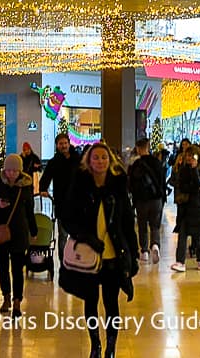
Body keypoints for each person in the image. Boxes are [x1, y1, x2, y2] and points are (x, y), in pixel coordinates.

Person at [58, 142, 139, 358]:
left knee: (111, 304)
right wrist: (86, 237)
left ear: (110, 160)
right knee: (91, 302)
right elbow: (67, 217)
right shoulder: (80, 185)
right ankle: (95, 344)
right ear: (89, 161)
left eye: (104, 157)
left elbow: (127, 222)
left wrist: (134, 254)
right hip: (89, 256)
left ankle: (111, 347)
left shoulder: (119, 185)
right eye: (96, 158)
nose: (100, 161)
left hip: (113, 256)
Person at [0, 153, 37, 318]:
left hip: (19, 232)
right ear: (4, 170)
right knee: (3, 267)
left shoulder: (26, 186)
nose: (11, 174)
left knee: (17, 269)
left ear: (20, 171)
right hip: (0, 231)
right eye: (9, 170)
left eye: (15, 170)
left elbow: (29, 210)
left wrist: (33, 231)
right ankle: (6, 296)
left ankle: (17, 301)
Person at [39, 132, 80, 263]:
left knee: (77, 235)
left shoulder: (78, 159)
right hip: (61, 203)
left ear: (69, 143)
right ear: (57, 145)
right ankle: (63, 262)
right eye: (60, 144)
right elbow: (45, 178)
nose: (63, 146)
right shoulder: (54, 162)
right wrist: (43, 189)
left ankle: (75, 261)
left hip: (78, 203)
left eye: (65, 143)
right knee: (62, 235)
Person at [127, 137, 167, 263]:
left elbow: (130, 184)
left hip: (141, 201)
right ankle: (155, 245)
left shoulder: (135, 164)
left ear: (138, 148)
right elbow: (162, 181)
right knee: (155, 225)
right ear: (148, 146)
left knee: (142, 225)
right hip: (156, 200)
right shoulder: (157, 162)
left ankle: (144, 251)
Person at [170, 147, 200, 272]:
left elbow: (198, 183)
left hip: (199, 206)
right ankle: (180, 261)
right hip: (186, 206)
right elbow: (184, 186)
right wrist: (196, 187)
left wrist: (195, 170)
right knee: (183, 233)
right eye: (188, 156)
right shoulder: (183, 170)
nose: (189, 158)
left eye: (192, 156)